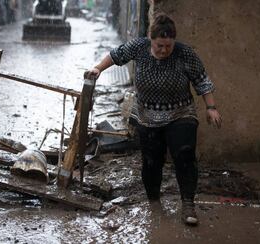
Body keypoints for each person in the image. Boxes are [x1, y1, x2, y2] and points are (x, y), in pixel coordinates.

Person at [85, 13, 222, 226]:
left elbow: (201, 80)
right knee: (151, 163)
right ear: (151, 39)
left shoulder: (184, 53)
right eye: (160, 45)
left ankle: (188, 204)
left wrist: (211, 107)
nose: (164, 50)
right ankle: (154, 203)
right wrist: (98, 68)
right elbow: (116, 54)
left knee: (184, 156)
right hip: (147, 116)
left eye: (168, 45)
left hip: (180, 113)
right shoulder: (139, 47)